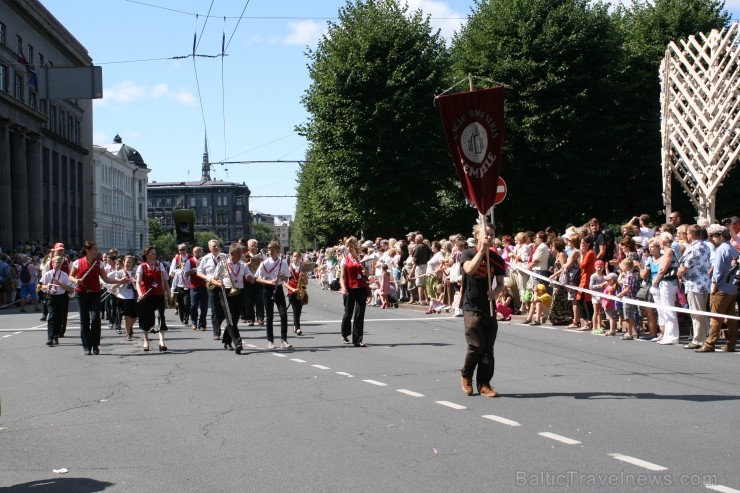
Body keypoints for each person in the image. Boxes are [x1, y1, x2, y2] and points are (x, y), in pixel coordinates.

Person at [459, 222, 506, 398]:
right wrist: (482, 251)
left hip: (489, 307)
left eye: (491, 234)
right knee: (476, 345)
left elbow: (501, 283)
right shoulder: (467, 253)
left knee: (488, 349)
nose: (489, 237)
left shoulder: (497, 259)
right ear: (477, 236)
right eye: (485, 234)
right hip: (471, 305)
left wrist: (496, 292)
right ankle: (466, 375)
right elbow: (469, 270)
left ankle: (484, 384)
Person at [68, 241, 126, 355]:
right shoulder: (77, 263)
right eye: (94, 249)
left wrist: (120, 281)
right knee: (84, 320)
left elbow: (106, 279)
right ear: (88, 251)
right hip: (81, 294)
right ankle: (86, 346)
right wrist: (76, 281)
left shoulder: (98, 263)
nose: (96, 251)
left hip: (95, 293)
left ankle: (95, 345)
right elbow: (70, 276)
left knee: (95, 319)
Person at [696, 225, 739, 353]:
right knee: (731, 318)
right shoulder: (732, 248)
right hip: (733, 287)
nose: (712, 239)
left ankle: (709, 344)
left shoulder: (721, 249)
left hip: (722, 287)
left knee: (715, 317)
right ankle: (731, 343)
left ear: (721, 236)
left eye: (714, 236)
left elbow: (718, 271)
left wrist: (714, 285)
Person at [215, 243, 254, 354]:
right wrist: (219, 283)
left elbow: (252, 280)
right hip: (226, 292)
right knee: (230, 318)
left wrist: (250, 278)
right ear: (232, 253)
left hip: (239, 292)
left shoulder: (243, 265)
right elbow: (214, 278)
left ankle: (226, 341)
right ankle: (238, 342)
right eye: (239, 254)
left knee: (234, 319)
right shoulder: (222, 264)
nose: (241, 255)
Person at [678, 224, 711, 349]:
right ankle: (704, 335)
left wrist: (679, 273)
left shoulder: (693, 248)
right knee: (701, 311)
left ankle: (698, 339)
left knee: (696, 312)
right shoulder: (706, 246)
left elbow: (685, 266)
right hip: (704, 282)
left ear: (691, 234)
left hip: (694, 284)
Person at [255, 241, 292, 349]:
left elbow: (287, 279)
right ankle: (270, 340)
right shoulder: (264, 263)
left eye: (273, 250)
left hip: (278, 289)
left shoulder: (283, 263)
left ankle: (284, 340)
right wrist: (269, 282)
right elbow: (257, 278)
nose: (270, 252)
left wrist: (282, 277)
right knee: (269, 316)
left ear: (277, 251)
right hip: (267, 289)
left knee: (283, 314)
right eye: (269, 250)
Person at [135, 246, 172, 352]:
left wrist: (168, 294)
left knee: (161, 315)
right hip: (147, 295)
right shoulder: (141, 267)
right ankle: (146, 340)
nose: (154, 255)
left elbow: (164, 280)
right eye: (152, 253)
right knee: (146, 317)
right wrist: (140, 293)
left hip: (159, 294)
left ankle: (161, 340)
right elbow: (138, 282)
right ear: (146, 255)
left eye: (155, 253)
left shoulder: (159, 265)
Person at [339, 236, 370, 346]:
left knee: (360, 313)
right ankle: (345, 333)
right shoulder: (344, 259)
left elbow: (367, 274)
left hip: (361, 287)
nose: (348, 248)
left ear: (356, 247)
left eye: (351, 246)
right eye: (347, 246)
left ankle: (358, 339)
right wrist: (343, 288)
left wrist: (364, 269)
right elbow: (342, 277)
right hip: (350, 288)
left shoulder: (363, 258)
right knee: (348, 313)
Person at [39, 255, 74, 346]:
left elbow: (69, 289)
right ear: (52, 263)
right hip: (51, 296)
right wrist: (46, 286)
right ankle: (50, 338)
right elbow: (40, 286)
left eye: (60, 262)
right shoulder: (47, 274)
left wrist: (60, 284)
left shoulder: (64, 275)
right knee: (52, 316)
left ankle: (55, 337)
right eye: (57, 262)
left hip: (61, 297)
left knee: (59, 317)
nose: (59, 264)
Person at [652, 232, 680, 345]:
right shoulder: (668, 251)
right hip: (667, 283)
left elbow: (663, 268)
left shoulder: (669, 251)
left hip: (668, 283)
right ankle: (668, 335)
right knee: (665, 309)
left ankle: (672, 336)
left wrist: (657, 279)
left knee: (668, 309)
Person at [197, 240, 226, 341]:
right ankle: (216, 332)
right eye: (214, 246)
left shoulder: (224, 256)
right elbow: (199, 272)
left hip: (223, 284)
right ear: (209, 248)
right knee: (214, 309)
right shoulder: (205, 258)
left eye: (217, 246)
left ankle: (219, 322)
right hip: (212, 285)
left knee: (224, 308)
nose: (216, 247)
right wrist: (206, 278)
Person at [548, 238, 572, 326]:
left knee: (559, 299)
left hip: (560, 281)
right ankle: (557, 318)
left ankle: (564, 317)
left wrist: (554, 275)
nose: (551, 248)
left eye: (553, 246)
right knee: (556, 299)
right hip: (556, 280)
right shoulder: (557, 255)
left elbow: (563, 267)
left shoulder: (562, 254)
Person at [114, 255, 138, 341]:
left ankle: (129, 327)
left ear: (132, 263)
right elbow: (115, 284)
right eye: (127, 262)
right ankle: (128, 334)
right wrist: (122, 281)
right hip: (123, 296)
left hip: (133, 296)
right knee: (126, 316)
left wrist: (135, 282)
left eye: (130, 262)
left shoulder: (135, 271)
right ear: (123, 262)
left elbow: (140, 282)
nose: (128, 264)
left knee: (134, 316)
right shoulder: (120, 272)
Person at [244, 239, 265, 326]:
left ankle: (260, 318)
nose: (253, 247)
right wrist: (250, 263)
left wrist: (261, 262)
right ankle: (250, 319)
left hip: (258, 279)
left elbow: (267, 264)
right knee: (249, 301)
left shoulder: (261, 256)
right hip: (248, 280)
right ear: (248, 247)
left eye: (254, 246)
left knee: (259, 299)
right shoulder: (244, 256)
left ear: (257, 247)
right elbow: (241, 267)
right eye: (251, 246)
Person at [285, 251, 307, 336]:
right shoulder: (288, 268)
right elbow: (284, 282)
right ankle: (298, 327)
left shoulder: (302, 269)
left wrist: (305, 278)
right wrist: (292, 289)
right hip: (292, 291)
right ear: (292, 257)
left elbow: (306, 282)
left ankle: (295, 324)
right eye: (294, 256)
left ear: (300, 258)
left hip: (300, 291)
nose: (296, 258)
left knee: (299, 310)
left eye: (297, 256)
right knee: (295, 310)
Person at [188, 246, 208, 331]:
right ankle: (194, 322)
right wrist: (192, 271)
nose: (197, 253)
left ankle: (202, 324)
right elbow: (185, 273)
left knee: (204, 307)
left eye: (199, 252)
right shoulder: (190, 261)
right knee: (193, 306)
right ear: (193, 253)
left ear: (201, 252)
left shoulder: (205, 260)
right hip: (194, 287)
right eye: (195, 252)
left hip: (204, 286)